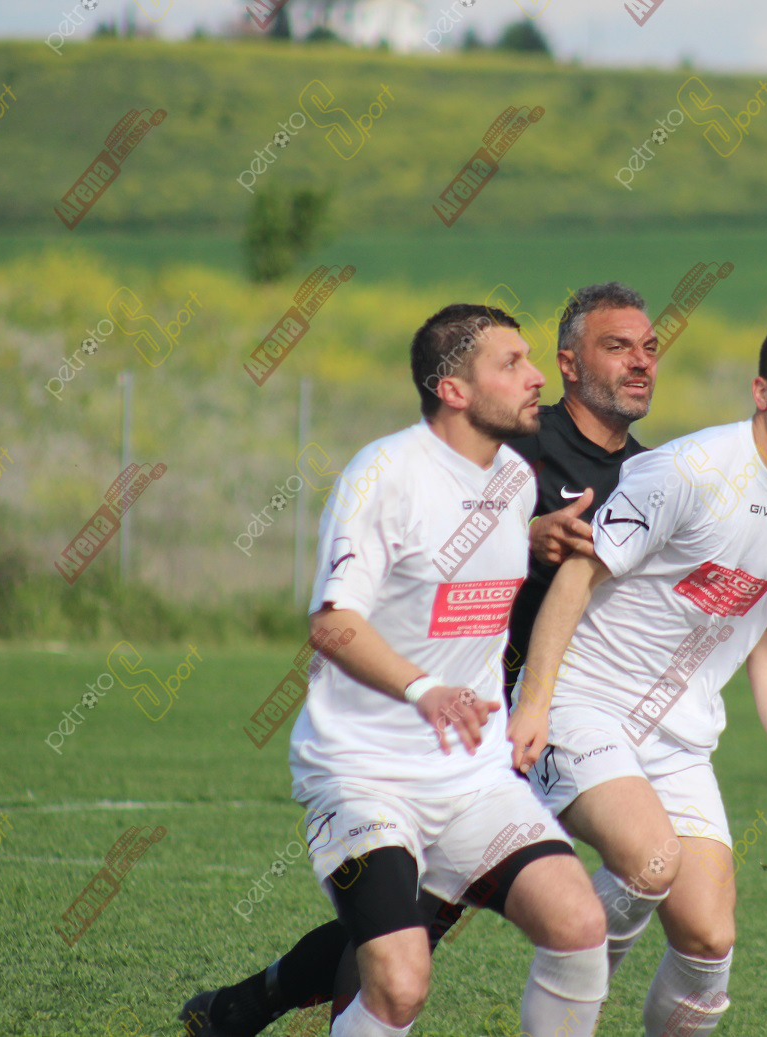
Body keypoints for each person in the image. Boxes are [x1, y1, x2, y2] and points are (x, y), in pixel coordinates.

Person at [182, 283, 660, 1036]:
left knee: (576, 922)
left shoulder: (513, 482)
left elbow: (474, 566)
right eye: (512, 363)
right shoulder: (384, 476)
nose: (536, 376)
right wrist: (426, 689)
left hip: (472, 770)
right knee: (402, 978)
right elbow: (333, 624)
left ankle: (247, 1003)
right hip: (364, 773)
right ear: (454, 390)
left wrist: (534, 547)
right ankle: (266, 1003)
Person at [509, 319, 767, 1036]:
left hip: (679, 737)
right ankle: (564, 991)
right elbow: (578, 573)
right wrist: (535, 703)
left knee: (708, 941)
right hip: (583, 701)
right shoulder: (691, 468)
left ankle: (575, 967)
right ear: (762, 391)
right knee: (651, 862)